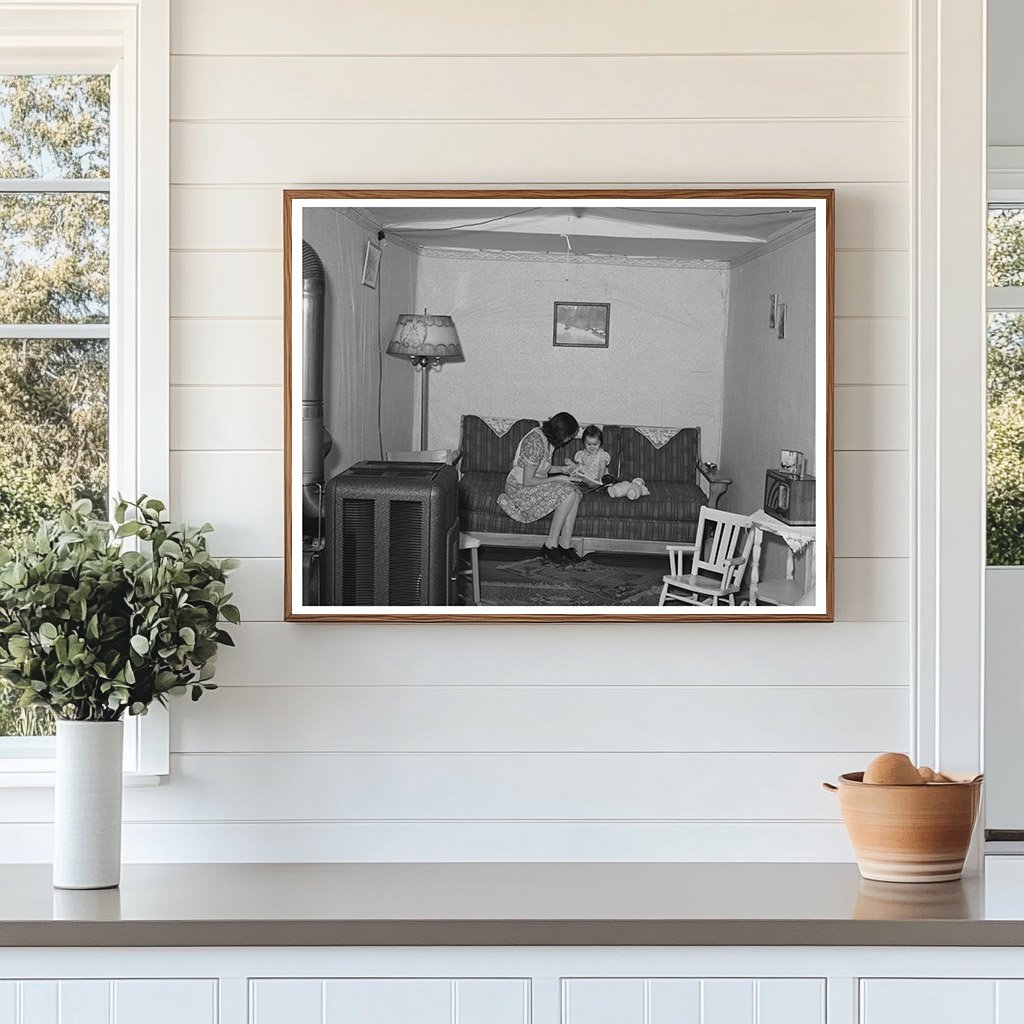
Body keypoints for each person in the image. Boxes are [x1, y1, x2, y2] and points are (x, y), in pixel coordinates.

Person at [496, 412, 584, 566]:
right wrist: (558, 478)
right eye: (569, 436)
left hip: (531, 482)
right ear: (561, 433)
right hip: (519, 488)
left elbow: (541, 468)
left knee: (575, 491)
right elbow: (528, 480)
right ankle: (550, 545)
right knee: (568, 492)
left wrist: (562, 469)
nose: (568, 440)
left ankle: (565, 545)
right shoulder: (535, 442)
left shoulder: (547, 439)